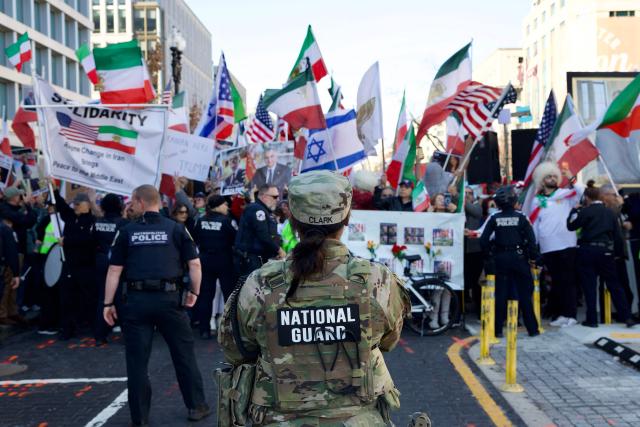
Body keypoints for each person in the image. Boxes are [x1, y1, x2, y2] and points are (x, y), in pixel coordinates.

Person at [218, 170, 411, 426]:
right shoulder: (377, 280)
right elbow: (388, 342)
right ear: (347, 217)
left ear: (292, 218)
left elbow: (236, 350)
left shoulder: (260, 283)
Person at [103, 185, 210, 426]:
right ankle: (196, 406)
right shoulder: (176, 228)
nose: (130, 205)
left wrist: (107, 303)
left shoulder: (127, 231)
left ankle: (139, 418)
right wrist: (195, 292)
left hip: (136, 302)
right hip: (170, 300)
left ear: (141, 202)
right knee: (184, 356)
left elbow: (114, 270)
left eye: (132, 201)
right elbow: (195, 265)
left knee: (137, 362)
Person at [567, 185, 635, 328]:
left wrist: (574, 210)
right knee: (614, 285)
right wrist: (617, 254)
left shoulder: (585, 211)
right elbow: (617, 235)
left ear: (587, 198)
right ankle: (627, 317)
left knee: (589, 286)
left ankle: (591, 320)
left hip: (587, 250)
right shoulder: (610, 213)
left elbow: (571, 226)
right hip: (606, 252)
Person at [480, 186, 540, 338]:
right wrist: (533, 258)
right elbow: (532, 241)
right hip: (520, 258)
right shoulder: (522, 217)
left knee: (500, 295)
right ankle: (532, 330)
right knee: (525, 295)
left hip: (501, 259)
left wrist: (489, 255)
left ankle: (498, 330)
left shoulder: (494, 218)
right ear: (514, 200)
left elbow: (483, 240)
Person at [531, 162, 582, 327]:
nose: (552, 179)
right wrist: (535, 247)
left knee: (569, 281)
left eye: (554, 176)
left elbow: (582, 193)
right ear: (542, 180)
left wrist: (571, 177)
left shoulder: (565, 194)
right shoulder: (536, 200)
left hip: (567, 244)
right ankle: (561, 314)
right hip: (548, 246)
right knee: (557, 282)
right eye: (548, 176)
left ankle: (571, 315)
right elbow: (535, 226)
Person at [54, 189, 97, 340]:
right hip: (69, 265)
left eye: (79, 204)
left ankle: (95, 329)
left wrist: (67, 241)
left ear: (88, 205)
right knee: (66, 299)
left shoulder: (93, 221)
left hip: (86, 267)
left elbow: (89, 240)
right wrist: (53, 188)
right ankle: (67, 329)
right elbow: (62, 206)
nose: (75, 206)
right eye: (74, 204)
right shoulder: (71, 217)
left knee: (89, 298)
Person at [192, 195, 237, 339]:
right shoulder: (228, 221)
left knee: (206, 295)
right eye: (225, 204)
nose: (227, 207)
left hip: (205, 260)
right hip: (224, 260)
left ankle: (204, 329)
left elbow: (195, 238)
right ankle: (230, 329)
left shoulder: (201, 220)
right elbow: (236, 239)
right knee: (229, 295)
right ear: (217, 206)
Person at [93, 194, 127, 345]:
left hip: (100, 261)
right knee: (120, 297)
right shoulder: (124, 223)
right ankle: (128, 334)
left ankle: (100, 335)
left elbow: (92, 240)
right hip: (118, 262)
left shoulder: (97, 222)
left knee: (103, 297)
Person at [233, 185, 285, 277]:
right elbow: (263, 235)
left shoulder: (262, 210)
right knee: (251, 289)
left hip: (256, 258)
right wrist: (278, 250)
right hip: (250, 259)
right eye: (275, 197)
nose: (277, 200)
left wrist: (273, 251)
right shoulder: (257, 209)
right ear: (264, 196)